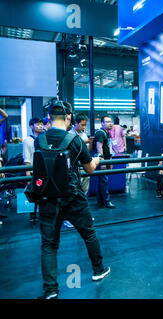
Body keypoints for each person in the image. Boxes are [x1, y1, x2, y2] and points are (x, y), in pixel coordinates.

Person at [35, 101, 110, 299]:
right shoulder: (74, 140)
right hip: (72, 197)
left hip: (47, 198)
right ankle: (98, 269)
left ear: (50, 118)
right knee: (88, 234)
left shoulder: (39, 140)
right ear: (69, 117)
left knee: (49, 245)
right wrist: (97, 159)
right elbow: (89, 168)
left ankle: (51, 290)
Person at [23, 117, 44, 223]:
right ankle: (33, 215)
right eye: (37, 124)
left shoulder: (42, 138)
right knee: (33, 193)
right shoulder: (28, 140)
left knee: (41, 194)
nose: (40, 126)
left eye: (41, 124)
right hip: (32, 171)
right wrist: (27, 176)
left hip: (42, 171)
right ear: (31, 126)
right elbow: (27, 159)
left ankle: (40, 214)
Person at [93, 116, 115, 209]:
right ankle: (106, 201)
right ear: (102, 123)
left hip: (106, 159)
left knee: (102, 181)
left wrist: (110, 161)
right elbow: (99, 147)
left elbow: (108, 147)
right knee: (104, 181)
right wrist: (102, 162)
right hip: (102, 161)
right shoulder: (100, 133)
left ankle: (100, 201)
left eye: (111, 122)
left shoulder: (108, 133)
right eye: (107, 122)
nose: (110, 123)